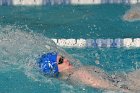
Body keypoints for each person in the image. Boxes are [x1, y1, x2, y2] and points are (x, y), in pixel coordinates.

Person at [37, 52, 140, 92]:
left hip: (121, 81)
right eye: (60, 61)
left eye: (62, 58)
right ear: (55, 69)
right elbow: (111, 87)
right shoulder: (81, 73)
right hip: (125, 85)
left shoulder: (67, 80)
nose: (66, 60)